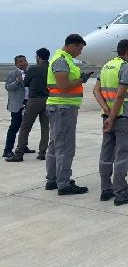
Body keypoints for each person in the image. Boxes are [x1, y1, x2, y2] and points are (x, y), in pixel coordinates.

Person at [93, 39, 128, 206]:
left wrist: (106, 111)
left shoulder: (106, 66)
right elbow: (121, 95)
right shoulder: (126, 68)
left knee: (106, 152)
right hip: (122, 117)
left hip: (106, 116)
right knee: (121, 154)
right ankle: (121, 191)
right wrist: (113, 116)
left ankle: (105, 189)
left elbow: (96, 90)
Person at [45, 34, 92, 195]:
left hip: (59, 107)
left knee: (54, 144)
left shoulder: (63, 59)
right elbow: (64, 86)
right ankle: (64, 184)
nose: (80, 52)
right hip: (63, 108)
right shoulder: (61, 60)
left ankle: (53, 179)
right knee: (65, 146)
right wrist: (81, 80)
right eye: (79, 48)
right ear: (72, 45)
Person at [7, 48, 50, 162]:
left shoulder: (33, 69)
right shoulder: (51, 68)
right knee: (45, 127)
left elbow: (26, 83)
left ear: (38, 57)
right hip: (48, 99)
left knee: (25, 126)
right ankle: (42, 153)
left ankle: (19, 153)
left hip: (34, 99)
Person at [3, 55, 29, 158]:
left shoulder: (29, 72)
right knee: (14, 127)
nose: (23, 63)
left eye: (24, 60)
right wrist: (17, 81)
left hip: (28, 103)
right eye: (20, 62)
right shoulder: (12, 73)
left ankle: (23, 146)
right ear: (16, 64)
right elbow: (8, 87)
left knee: (26, 126)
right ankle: (7, 150)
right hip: (17, 105)